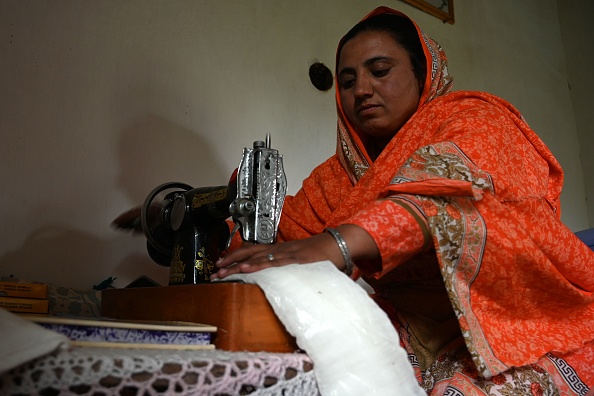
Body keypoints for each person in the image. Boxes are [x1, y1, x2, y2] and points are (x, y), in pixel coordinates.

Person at [210, 6, 594, 394]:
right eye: (347, 81)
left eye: (380, 72)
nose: (361, 89)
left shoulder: (475, 117)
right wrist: (209, 231)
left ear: (423, 74)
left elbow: (446, 188)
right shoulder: (339, 178)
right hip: (418, 333)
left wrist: (338, 243)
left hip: (526, 325)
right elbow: (284, 237)